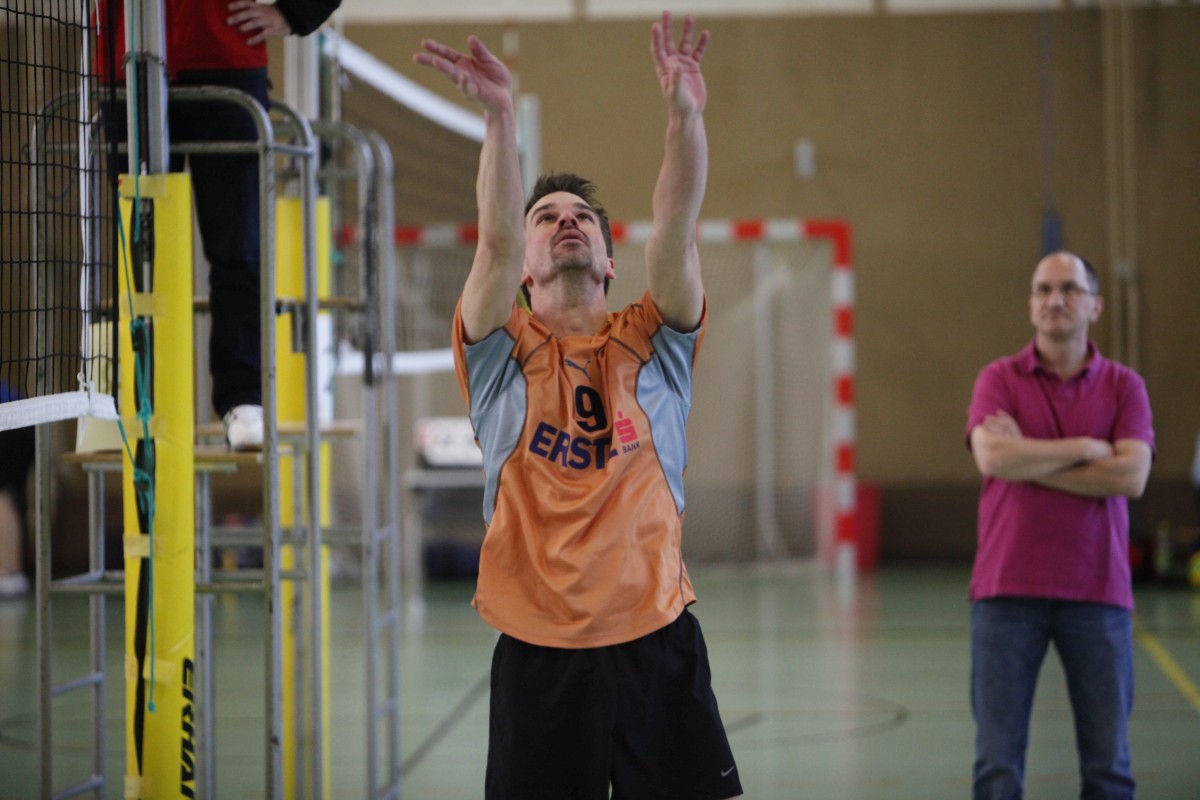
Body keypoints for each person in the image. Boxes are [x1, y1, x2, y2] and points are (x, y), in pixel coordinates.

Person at [414, 13, 742, 800]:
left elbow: (675, 231)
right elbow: (492, 244)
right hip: (540, 656)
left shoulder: (654, 340)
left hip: (657, 640)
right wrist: (499, 117)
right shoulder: (498, 354)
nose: (567, 220)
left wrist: (685, 119)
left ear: (608, 262)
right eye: (546, 216)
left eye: (583, 216)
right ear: (526, 270)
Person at [94, 0, 340, 449]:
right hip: (126, 65)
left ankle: (242, 399)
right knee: (139, 251)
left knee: (238, 247)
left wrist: (296, 11)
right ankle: (138, 394)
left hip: (225, 61)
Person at [965, 251, 1154, 799]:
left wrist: (1029, 458)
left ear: (1096, 305)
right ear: (1030, 304)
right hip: (1005, 593)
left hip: (1099, 593)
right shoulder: (998, 378)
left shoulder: (1124, 386)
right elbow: (993, 459)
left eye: (1069, 289)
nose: (1054, 299)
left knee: (1108, 766)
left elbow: (1131, 476)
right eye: (1043, 289)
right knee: (997, 767)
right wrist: (1086, 449)